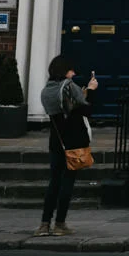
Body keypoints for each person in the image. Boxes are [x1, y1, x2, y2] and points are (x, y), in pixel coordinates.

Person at [36, 55, 97, 237]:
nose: (74, 73)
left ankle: (44, 224)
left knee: (54, 182)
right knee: (67, 182)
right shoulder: (70, 86)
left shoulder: (46, 91)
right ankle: (60, 224)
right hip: (73, 140)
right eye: (71, 69)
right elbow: (86, 110)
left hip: (56, 140)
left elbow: (66, 109)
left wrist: (81, 96)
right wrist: (91, 90)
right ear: (64, 70)